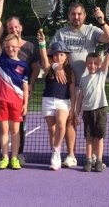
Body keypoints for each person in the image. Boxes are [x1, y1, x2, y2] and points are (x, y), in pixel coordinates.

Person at [50, 2, 109, 168]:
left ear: (84, 15)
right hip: (66, 84)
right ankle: (70, 155)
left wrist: (102, 21)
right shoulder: (61, 33)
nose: (76, 17)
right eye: (73, 14)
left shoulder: (92, 30)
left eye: (79, 14)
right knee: (69, 120)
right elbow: (50, 54)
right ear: (69, 16)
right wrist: (57, 67)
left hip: (87, 87)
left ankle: (93, 158)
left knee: (84, 124)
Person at [0, 0, 41, 167]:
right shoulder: (2, 49)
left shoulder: (29, 49)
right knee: (0, 125)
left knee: (18, 127)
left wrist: (30, 88)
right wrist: (0, 0)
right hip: (1, 93)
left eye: (16, 27)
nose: (14, 29)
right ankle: (0, 154)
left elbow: (35, 69)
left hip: (19, 96)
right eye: (10, 27)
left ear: (21, 28)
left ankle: (17, 155)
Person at [0, 12, 30, 170]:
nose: (11, 49)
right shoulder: (1, 59)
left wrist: (25, 103)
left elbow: (26, 87)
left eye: (13, 46)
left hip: (17, 102)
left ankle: (14, 158)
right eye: (8, 47)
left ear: (19, 46)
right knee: (4, 130)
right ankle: (5, 157)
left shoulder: (24, 66)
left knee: (16, 131)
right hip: (1, 101)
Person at [37, 34, 76, 170]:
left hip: (63, 102)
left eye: (61, 55)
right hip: (48, 100)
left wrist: (73, 108)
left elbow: (72, 91)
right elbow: (43, 58)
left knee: (61, 123)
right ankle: (56, 152)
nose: (58, 57)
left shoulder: (70, 72)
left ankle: (57, 150)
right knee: (52, 130)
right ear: (52, 56)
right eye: (55, 55)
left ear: (66, 56)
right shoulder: (49, 69)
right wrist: (42, 43)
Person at [78, 43, 109, 172]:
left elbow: (106, 61)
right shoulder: (83, 79)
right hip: (87, 112)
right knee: (88, 137)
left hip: (100, 110)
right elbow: (80, 98)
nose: (92, 65)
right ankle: (88, 160)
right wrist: (77, 114)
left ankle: (99, 160)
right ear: (86, 64)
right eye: (89, 63)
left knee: (99, 137)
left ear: (98, 65)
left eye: (95, 63)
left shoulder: (101, 75)